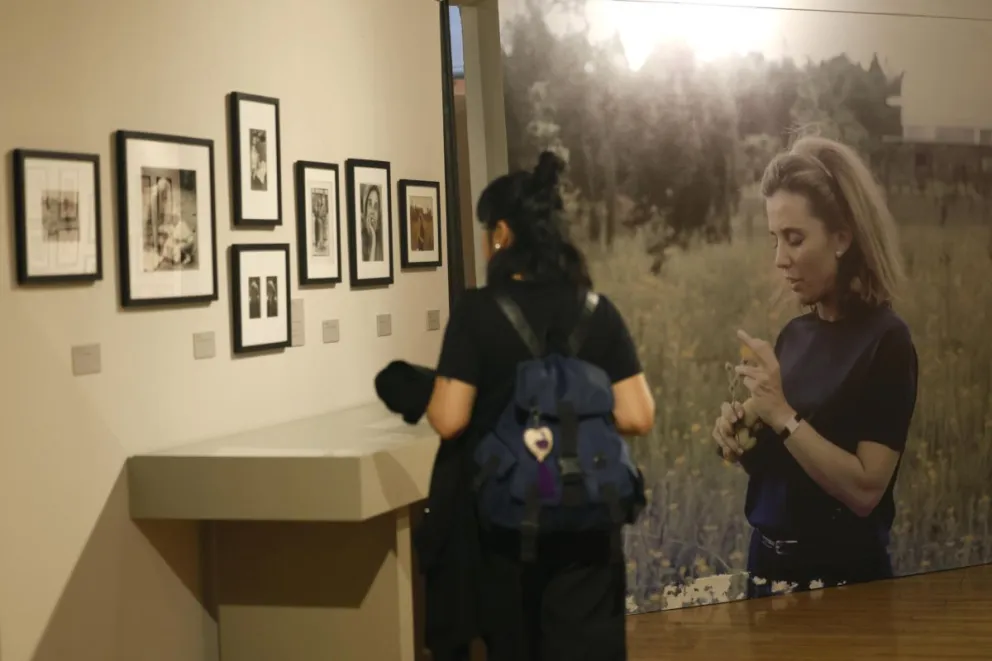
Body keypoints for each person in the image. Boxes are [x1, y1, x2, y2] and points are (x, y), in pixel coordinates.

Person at [424, 151, 655, 661]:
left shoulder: (477, 313)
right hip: (588, 523)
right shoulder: (597, 311)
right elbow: (639, 415)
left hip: (511, 526)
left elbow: (449, 417)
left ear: (502, 234)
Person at [711, 135, 919, 598]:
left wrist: (782, 415)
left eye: (795, 239)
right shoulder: (795, 335)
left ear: (842, 236)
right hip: (766, 571)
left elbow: (866, 492)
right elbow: (789, 467)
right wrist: (743, 438)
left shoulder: (887, 342)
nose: (780, 259)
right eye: (774, 239)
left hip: (841, 584)